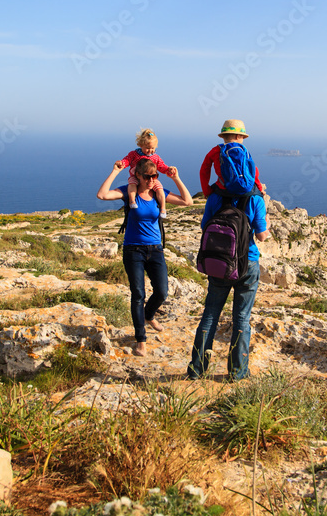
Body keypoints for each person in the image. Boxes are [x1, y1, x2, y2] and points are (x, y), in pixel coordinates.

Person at [188, 121, 270, 381]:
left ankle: (197, 370)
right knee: (241, 320)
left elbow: (205, 227)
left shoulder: (214, 198)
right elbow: (261, 235)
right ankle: (237, 373)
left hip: (220, 264)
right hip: (248, 264)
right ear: (242, 138)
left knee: (210, 315)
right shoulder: (255, 198)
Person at [97, 158, 192, 356]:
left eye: (154, 176)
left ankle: (149, 315)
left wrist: (176, 178)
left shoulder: (159, 194)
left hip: (155, 249)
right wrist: (115, 171)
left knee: (163, 292)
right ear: (138, 176)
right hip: (133, 250)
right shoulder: (128, 191)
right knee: (138, 294)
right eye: (147, 176)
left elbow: (187, 201)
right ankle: (141, 339)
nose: (151, 180)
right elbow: (102, 195)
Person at [116, 128, 177, 218]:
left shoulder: (155, 157)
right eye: (147, 148)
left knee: (160, 189)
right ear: (141, 145)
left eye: (153, 148)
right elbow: (127, 160)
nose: (150, 150)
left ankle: (163, 208)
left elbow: (162, 166)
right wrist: (122, 164)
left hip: (151, 179)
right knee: (132, 184)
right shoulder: (134, 154)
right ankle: (132, 201)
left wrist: (169, 170)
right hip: (135, 176)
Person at [199, 119, 266, 197]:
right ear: (238, 136)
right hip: (245, 191)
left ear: (223, 136)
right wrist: (260, 189)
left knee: (210, 207)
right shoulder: (243, 150)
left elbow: (204, 171)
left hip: (223, 190)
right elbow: (254, 171)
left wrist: (206, 191)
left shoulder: (215, 150)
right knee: (259, 204)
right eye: (243, 137)